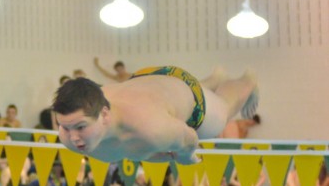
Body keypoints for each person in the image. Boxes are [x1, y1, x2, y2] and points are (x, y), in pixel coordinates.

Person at [53, 66, 259, 164]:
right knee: (170, 103)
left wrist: (186, 157)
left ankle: (247, 80)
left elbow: (190, 138)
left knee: (221, 115)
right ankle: (215, 77)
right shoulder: (72, 134)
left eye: (80, 127)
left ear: (104, 115)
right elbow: (135, 151)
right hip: (146, 84)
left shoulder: (152, 127)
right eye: (64, 127)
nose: (73, 137)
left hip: (181, 85)